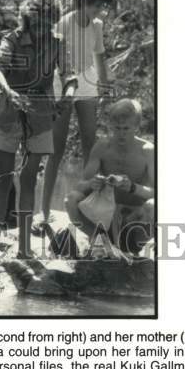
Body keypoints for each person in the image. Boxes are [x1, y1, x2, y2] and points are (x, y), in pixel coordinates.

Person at [0, 0, 78, 261]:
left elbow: (69, 76)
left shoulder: (57, 42)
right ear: (27, 18)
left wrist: (68, 96)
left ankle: (24, 248)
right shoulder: (12, 39)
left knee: (28, 180)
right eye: (37, 22)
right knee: (3, 178)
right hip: (8, 110)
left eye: (47, 23)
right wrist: (9, 92)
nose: (42, 28)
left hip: (40, 113)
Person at [37, 0, 116, 227]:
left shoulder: (97, 25)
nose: (99, 11)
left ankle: (87, 209)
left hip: (88, 82)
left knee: (90, 146)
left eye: (102, 6)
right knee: (56, 148)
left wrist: (104, 85)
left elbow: (99, 57)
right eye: (96, 5)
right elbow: (50, 58)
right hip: (63, 81)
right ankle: (44, 211)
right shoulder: (64, 23)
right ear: (82, 0)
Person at [65, 98, 154, 255]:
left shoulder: (147, 151)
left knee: (153, 206)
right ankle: (98, 239)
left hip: (134, 216)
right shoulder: (102, 146)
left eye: (126, 128)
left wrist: (133, 187)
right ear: (111, 125)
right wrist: (92, 183)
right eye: (117, 128)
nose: (121, 134)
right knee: (71, 199)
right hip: (105, 214)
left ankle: (134, 246)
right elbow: (80, 185)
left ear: (136, 126)